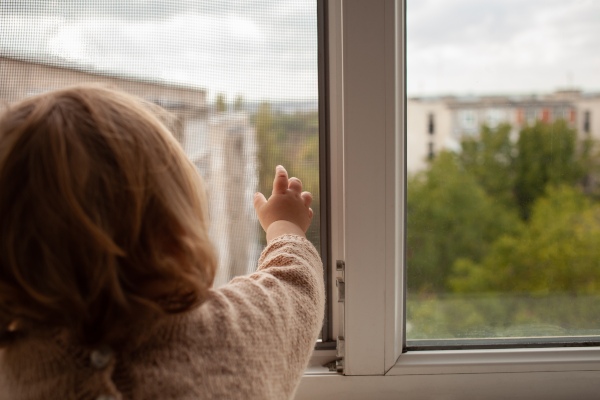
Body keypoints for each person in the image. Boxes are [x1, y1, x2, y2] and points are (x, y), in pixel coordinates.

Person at [0, 85, 324, 400]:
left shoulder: (13, 370)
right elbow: (296, 284)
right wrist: (285, 224)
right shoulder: (236, 329)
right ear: (175, 236)